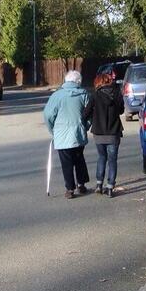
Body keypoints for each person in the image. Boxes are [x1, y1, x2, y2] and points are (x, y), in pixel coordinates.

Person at [43, 70, 91, 199]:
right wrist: (86, 126)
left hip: (61, 134)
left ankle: (70, 189)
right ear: (78, 82)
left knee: (66, 162)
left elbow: (48, 115)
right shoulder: (84, 94)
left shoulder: (57, 95)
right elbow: (90, 112)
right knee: (79, 158)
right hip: (78, 132)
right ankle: (81, 184)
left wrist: (52, 130)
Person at [83, 73, 124, 198]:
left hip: (99, 132)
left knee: (101, 157)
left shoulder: (95, 95)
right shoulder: (117, 93)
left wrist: (88, 120)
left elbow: (86, 113)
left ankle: (99, 184)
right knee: (112, 160)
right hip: (113, 132)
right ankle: (110, 186)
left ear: (98, 82)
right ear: (109, 81)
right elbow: (121, 110)